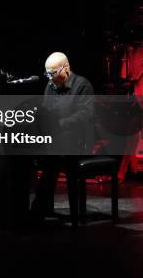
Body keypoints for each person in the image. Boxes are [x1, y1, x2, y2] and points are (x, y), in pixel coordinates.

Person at [30, 51, 95, 219]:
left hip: (78, 140)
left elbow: (85, 115)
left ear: (66, 68)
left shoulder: (82, 85)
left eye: (53, 73)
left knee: (52, 157)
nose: (49, 78)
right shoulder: (50, 86)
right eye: (47, 73)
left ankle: (38, 209)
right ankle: (35, 207)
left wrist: (61, 124)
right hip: (58, 140)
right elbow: (46, 111)